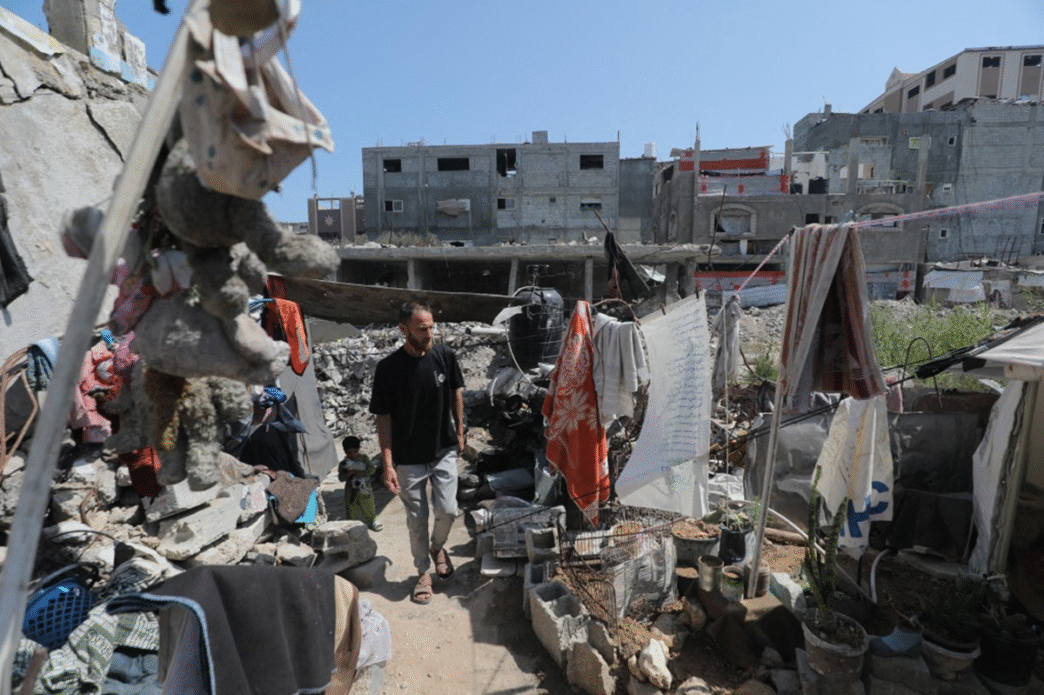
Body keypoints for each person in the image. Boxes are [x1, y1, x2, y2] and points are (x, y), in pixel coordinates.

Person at [369, 301, 465, 605]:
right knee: (416, 519)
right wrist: (388, 464)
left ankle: (437, 548)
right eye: (422, 329)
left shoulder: (444, 356)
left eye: (431, 327)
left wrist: (460, 431)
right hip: (408, 458)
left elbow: (456, 392)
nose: (429, 333)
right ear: (403, 329)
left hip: (443, 449)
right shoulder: (388, 369)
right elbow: (383, 418)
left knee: (448, 510)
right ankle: (423, 571)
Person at [337, 435, 382, 532]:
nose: (353, 454)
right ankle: (352, 524)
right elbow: (341, 478)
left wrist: (363, 473)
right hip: (351, 490)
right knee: (351, 508)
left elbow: (372, 469)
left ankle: (372, 520)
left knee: (368, 505)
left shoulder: (364, 459)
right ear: (345, 451)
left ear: (359, 449)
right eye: (349, 453)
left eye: (355, 451)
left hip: (365, 488)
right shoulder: (343, 464)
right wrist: (347, 475)